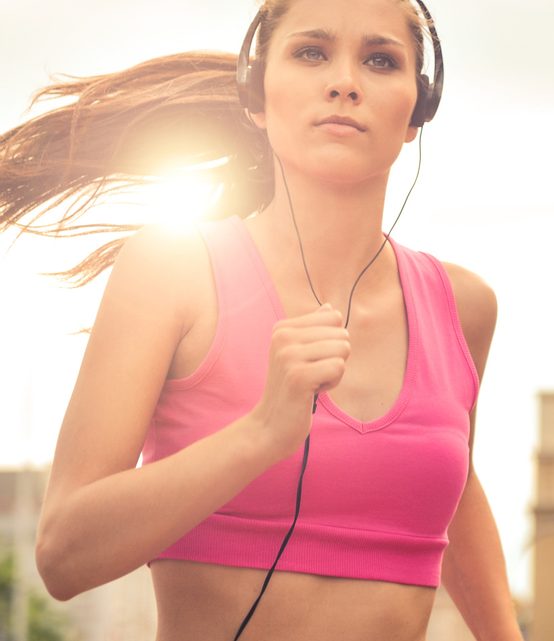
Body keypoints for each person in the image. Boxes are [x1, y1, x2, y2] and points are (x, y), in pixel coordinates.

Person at [0, 1, 523, 639]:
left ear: (418, 110)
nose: (345, 81)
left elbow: (453, 491)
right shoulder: (172, 270)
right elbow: (63, 554)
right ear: (257, 95)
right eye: (311, 52)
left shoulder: (462, 305)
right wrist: (262, 433)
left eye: (381, 60)